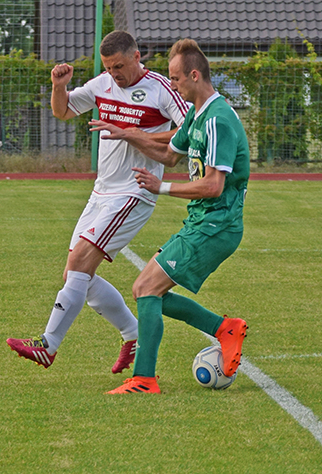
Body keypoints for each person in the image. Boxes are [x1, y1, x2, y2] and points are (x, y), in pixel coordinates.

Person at [7, 30, 189, 373]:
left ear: (137, 57)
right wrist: (58, 85)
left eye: (119, 65)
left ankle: (48, 344)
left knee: (79, 264)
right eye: (108, 67)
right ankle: (132, 334)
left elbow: (191, 128)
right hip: (101, 191)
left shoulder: (161, 89)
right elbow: (63, 112)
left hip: (134, 191)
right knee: (76, 274)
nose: (114, 73)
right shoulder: (103, 83)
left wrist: (134, 134)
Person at [90, 38, 250, 395]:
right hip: (202, 222)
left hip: (216, 224)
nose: (171, 85)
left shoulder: (218, 120)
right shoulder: (198, 113)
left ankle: (145, 379)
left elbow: (212, 186)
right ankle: (224, 328)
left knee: (146, 288)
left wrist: (159, 189)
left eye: (176, 78)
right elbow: (170, 153)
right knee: (145, 290)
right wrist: (127, 135)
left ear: (194, 75)